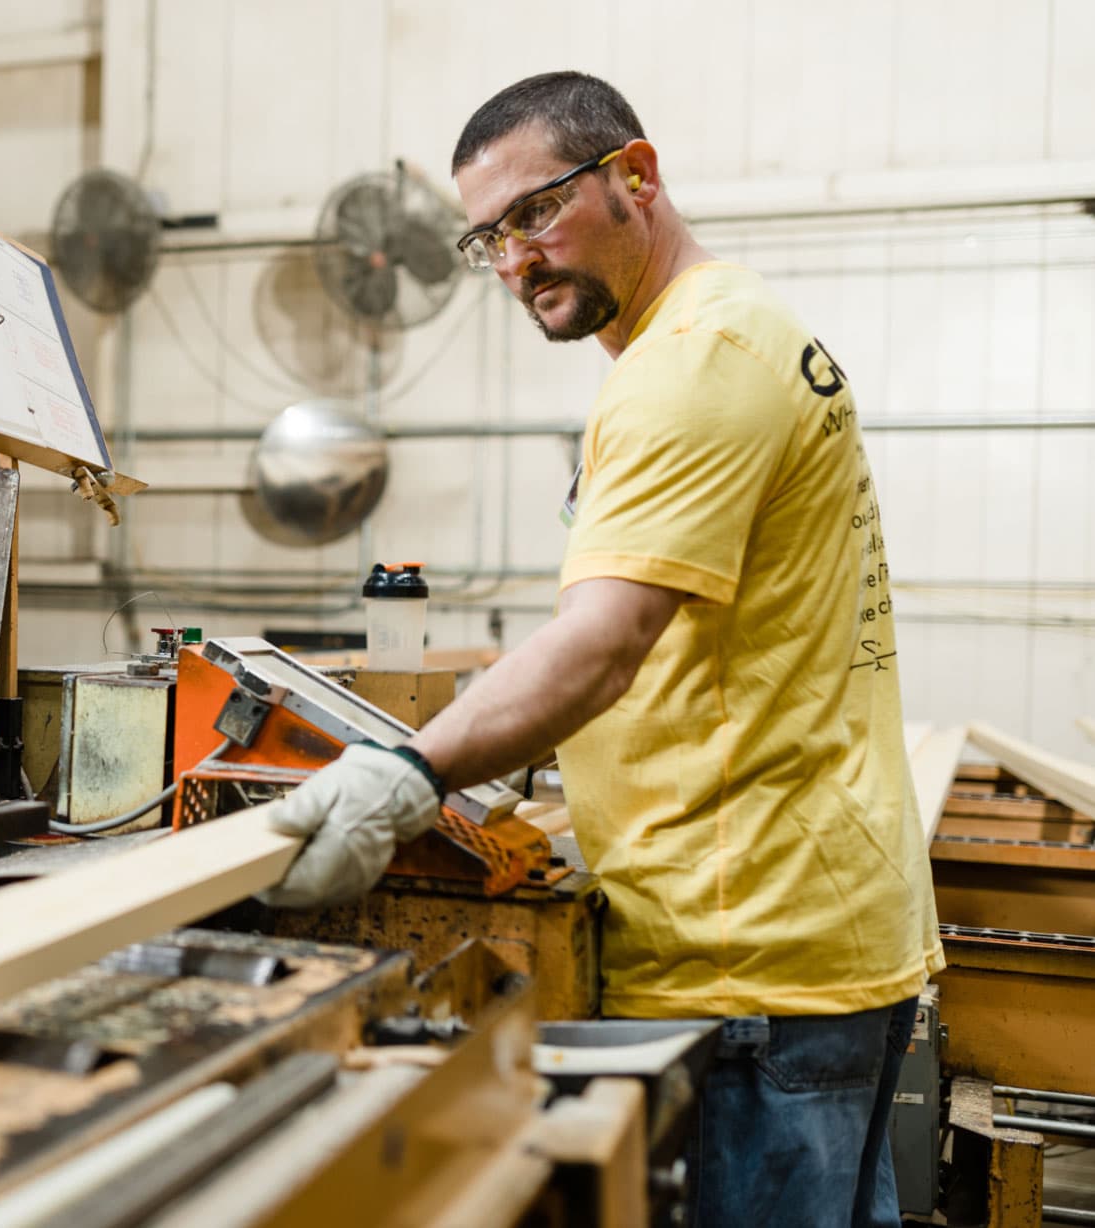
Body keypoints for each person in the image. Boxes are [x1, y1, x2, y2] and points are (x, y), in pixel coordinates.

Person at [258, 71, 943, 1227]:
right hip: (806, 934)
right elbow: (680, 637)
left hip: (746, 959)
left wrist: (412, 772)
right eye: (488, 237)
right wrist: (526, 748)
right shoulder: (734, 332)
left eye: (535, 212)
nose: (514, 259)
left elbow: (603, 646)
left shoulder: (690, 365)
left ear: (635, 174)